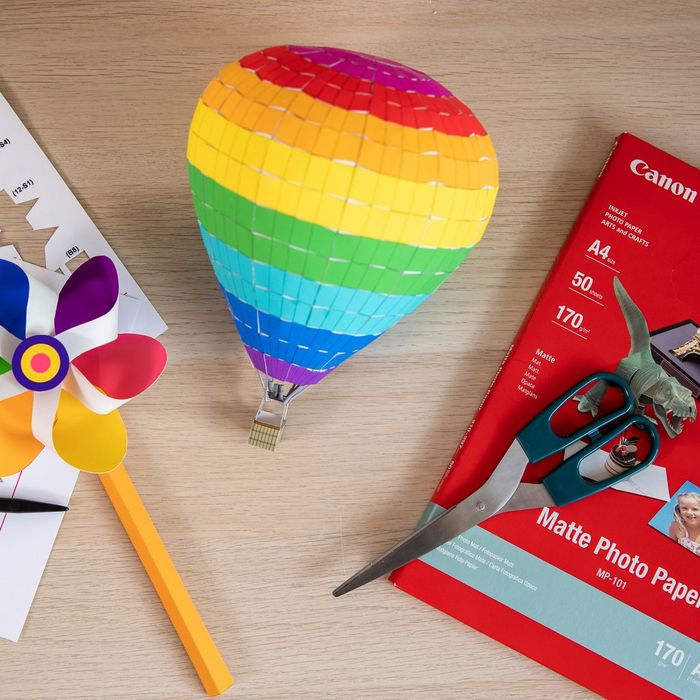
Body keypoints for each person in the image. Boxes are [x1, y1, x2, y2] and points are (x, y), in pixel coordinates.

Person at [668, 492, 700, 556]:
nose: (689, 512)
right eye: (684, 508)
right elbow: (669, 549)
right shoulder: (676, 526)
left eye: (695, 509)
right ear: (679, 509)